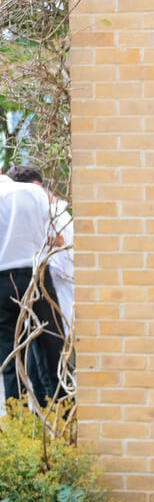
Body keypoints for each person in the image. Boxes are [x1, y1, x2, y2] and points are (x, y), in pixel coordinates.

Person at [0, 170, 64, 404]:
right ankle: (61, 414)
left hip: (2, 282)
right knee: (52, 347)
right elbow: (58, 239)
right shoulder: (34, 192)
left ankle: (19, 421)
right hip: (36, 275)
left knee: (9, 357)